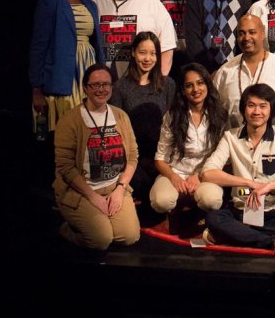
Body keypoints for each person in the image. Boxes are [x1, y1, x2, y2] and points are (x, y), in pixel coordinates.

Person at [198, 83, 275, 253]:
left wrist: (269, 187)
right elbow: (207, 173)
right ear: (244, 109)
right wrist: (248, 183)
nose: (257, 112)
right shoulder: (231, 137)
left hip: (273, 212)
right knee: (214, 218)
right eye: (251, 106)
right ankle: (273, 242)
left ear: (271, 110)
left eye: (263, 106)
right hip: (240, 210)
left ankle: (231, 235)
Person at [53, 63, 140, 250]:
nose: (102, 89)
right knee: (101, 240)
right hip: (82, 192)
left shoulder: (121, 116)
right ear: (85, 88)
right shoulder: (69, 120)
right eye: (96, 85)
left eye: (106, 84)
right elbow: (65, 166)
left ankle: (104, 222)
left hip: (115, 188)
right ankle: (68, 230)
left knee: (129, 236)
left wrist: (120, 189)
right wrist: (92, 197)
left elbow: (133, 156)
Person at [29, 0, 105, 142]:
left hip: (87, 69)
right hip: (61, 77)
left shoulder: (91, 5)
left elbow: (97, 42)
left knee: (87, 134)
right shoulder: (50, 3)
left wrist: (103, 73)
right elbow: (38, 47)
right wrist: (36, 90)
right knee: (65, 136)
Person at [151, 63, 228, 232]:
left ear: (208, 84)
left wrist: (200, 175)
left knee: (212, 200)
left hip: (205, 174)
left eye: (200, 83)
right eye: (189, 85)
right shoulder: (173, 116)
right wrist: (173, 177)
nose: (196, 89)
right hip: (176, 173)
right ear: (183, 90)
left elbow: (223, 157)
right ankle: (175, 212)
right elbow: (160, 159)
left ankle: (198, 215)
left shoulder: (220, 116)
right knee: (161, 200)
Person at [109, 32, 176, 216]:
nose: (148, 59)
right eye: (142, 53)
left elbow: (173, 126)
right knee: (141, 185)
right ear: (133, 53)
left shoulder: (168, 85)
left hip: (161, 157)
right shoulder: (120, 87)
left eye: (153, 54)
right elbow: (117, 130)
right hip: (133, 158)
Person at [213, 14, 275, 139]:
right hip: (235, 151)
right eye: (241, 33)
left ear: (263, 33)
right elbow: (215, 115)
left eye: (252, 32)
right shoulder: (225, 72)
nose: (246, 37)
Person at [92, 0, 177, 79]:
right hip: (102, 83)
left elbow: (167, 47)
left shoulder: (152, 3)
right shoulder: (95, 3)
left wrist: (160, 79)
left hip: (142, 83)